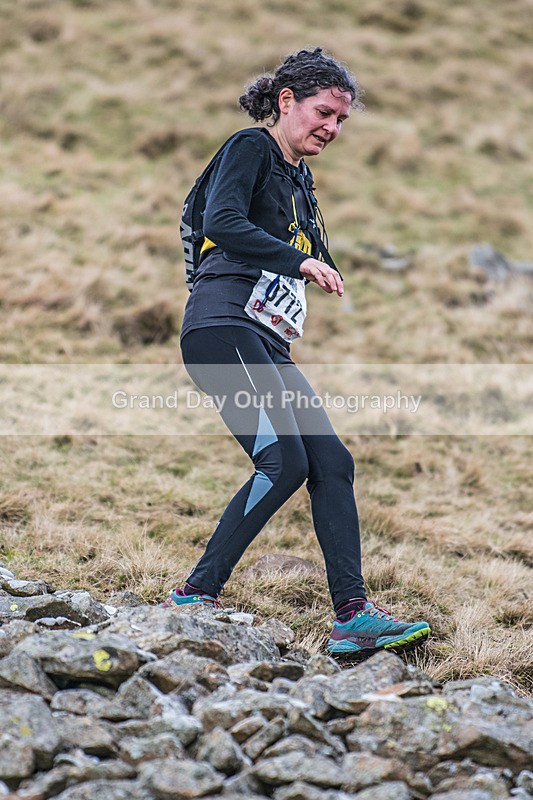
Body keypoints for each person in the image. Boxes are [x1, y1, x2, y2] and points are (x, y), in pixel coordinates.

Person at [161, 47, 431, 656]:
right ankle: (194, 596)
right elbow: (222, 223)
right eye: (323, 112)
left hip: (265, 338)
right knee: (282, 460)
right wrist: (300, 260)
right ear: (287, 102)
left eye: (341, 119)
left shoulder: (299, 178)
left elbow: (297, 244)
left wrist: (318, 261)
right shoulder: (250, 148)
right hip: (221, 329)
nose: (332, 127)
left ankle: (352, 617)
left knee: (330, 461)